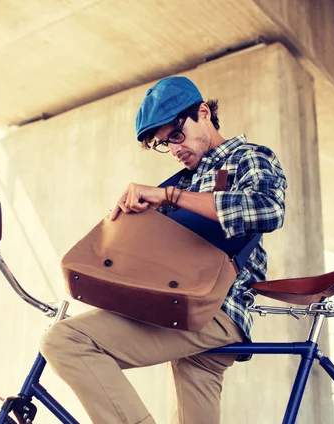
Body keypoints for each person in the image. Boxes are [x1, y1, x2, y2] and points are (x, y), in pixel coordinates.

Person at [40, 76, 288, 424]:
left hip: (214, 308)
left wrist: (168, 197)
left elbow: (268, 209)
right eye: (164, 144)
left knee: (66, 341)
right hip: (185, 306)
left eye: (176, 134)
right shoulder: (183, 181)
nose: (174, 149)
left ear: (203, 113)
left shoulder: (249, 157)